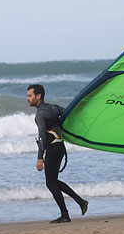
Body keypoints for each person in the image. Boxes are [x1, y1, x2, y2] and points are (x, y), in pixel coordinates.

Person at [27, 84, 88, 223]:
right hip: (60, 148)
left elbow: (42, 136)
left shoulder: (40, 114)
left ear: (38, 96)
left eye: (30, 96)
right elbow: (69, 114)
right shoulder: (54, 107)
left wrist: (39, 158)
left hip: (53, 149)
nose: (27, 98)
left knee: (50, 182)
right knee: (53, 181)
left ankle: (66, 214)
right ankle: (80, 202)